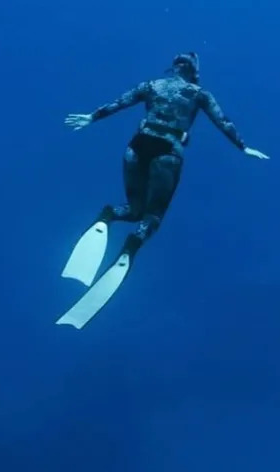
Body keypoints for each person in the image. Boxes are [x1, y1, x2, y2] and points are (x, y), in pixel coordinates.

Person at [57, 52, 268, 329]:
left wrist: (91, 117)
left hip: (137, 146)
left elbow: (120, 102)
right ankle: (130, 248)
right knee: (152, 218)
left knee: (132, 210)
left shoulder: (152, 85)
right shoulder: (198, 93)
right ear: (194, 72)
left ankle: (107, 216)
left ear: (173, 68)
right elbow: (223, 121)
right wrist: (243, 147)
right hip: (167, 152)